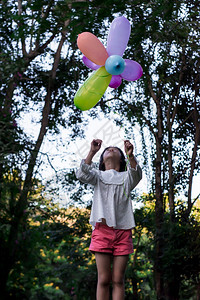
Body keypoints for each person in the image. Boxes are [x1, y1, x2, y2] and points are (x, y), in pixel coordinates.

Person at [76, 139, 142, 300]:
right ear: (102, 159)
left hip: (123, 232)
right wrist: (92, 151)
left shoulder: (127, 177)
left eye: (115, 149)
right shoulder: (98, 176)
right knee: (104, 280)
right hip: (102, 231)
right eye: (107, 149)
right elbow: (81, 174)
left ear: (121, 158)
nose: (111, 150)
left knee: (118, 280)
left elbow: (136, 173)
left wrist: (131, 155)